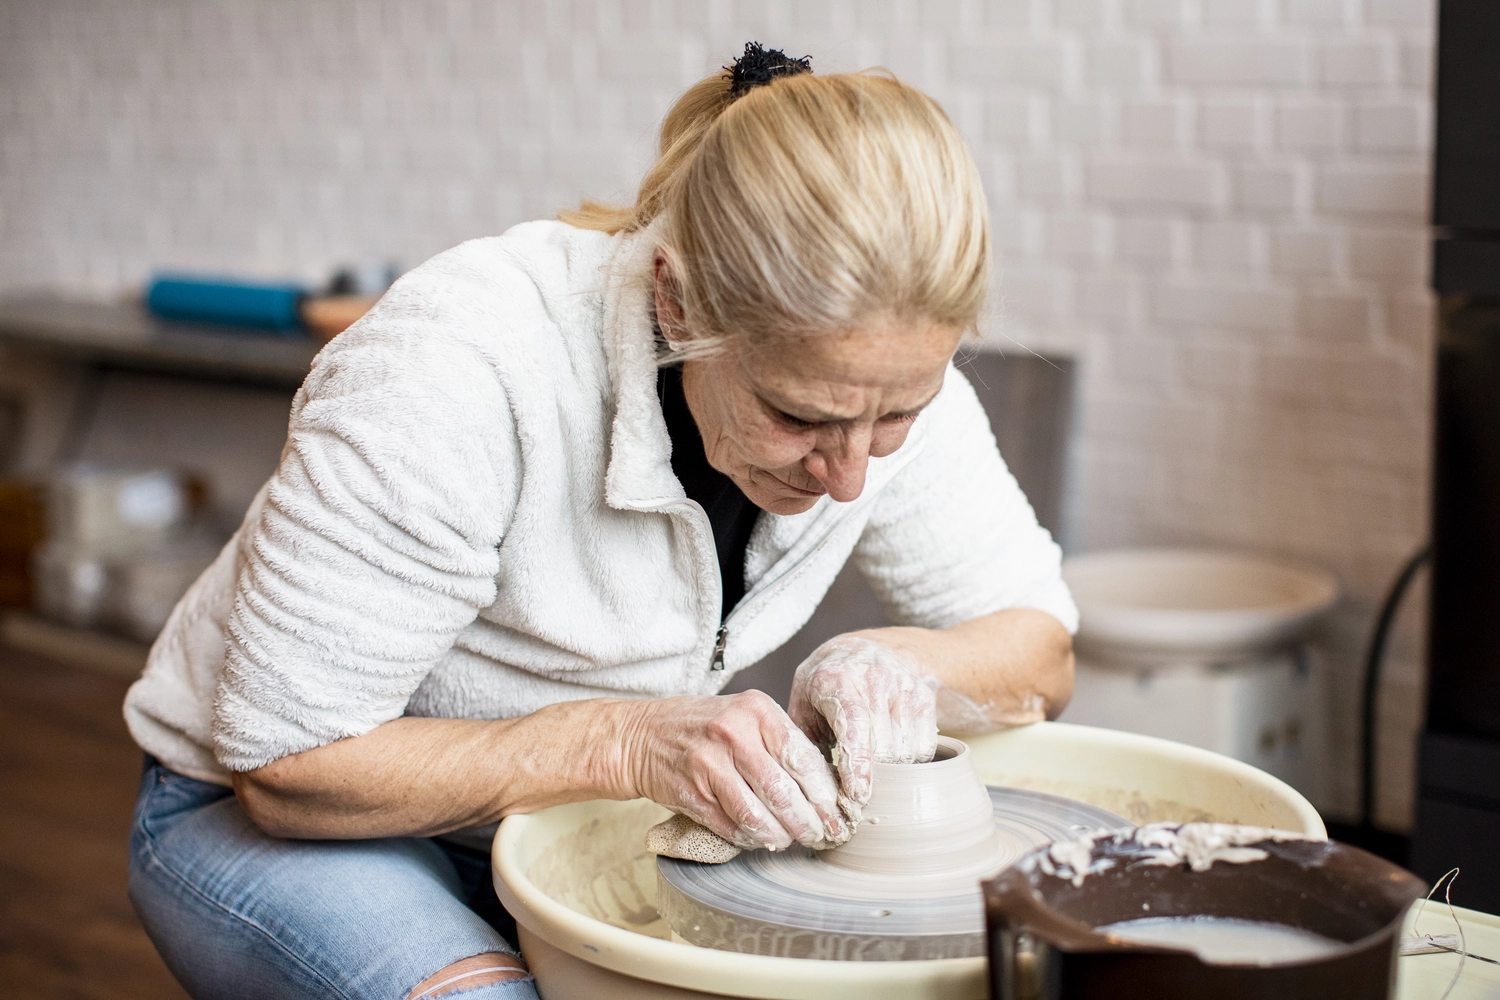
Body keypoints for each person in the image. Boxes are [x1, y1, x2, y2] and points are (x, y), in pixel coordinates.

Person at [123, 44, 1077, 1000]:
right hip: (272, 814)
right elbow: (289, 767)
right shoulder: (455, 373)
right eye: (798, 418)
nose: (849, 474)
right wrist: (614, 744)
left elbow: (1040, 649)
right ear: (675, 297)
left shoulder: (875, 365)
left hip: (554, 822)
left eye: (899, 417)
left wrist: (906, 665)